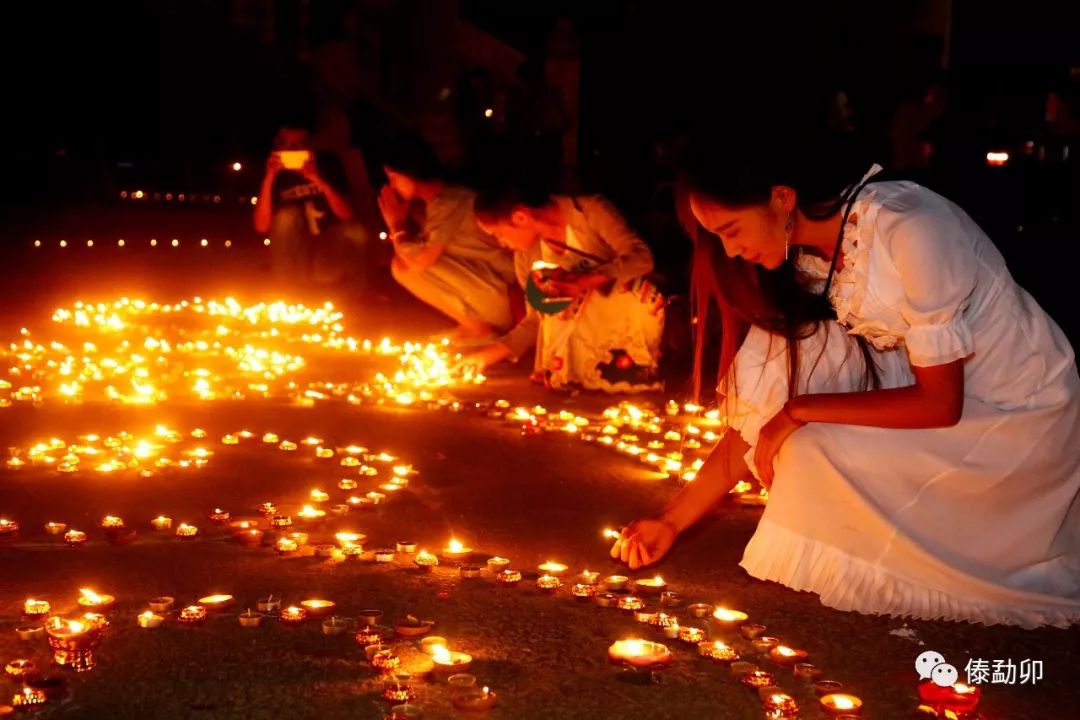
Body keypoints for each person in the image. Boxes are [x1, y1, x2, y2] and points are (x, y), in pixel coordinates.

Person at [611, 127, 1080, 628]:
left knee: (804, 437)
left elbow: (941, 403)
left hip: (1021, 416)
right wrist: (669, 521)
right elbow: (756, 414)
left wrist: (796, 411)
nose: (730, 252)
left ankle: (978, 551)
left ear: (780, 198)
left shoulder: (911, 228)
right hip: (956, 420)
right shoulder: (818, 264)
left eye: (730, 231)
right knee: (804, 448)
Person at [466, 187, 665, 393]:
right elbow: (536, 318)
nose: (502, 244)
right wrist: (484, 357)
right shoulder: (527, 257)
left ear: (520, 217)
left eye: (499, 234)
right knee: (552, 298)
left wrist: (585, 281)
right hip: (575, 335)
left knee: (593, 292)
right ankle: (576, 372)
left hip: (623, 313)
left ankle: (625, 369)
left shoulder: (589, 212)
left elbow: (641, 258)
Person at [376, 135, 517, 342]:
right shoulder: (435, 205)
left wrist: (396, 224)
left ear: (410, 172)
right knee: (403, 264)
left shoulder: (451, 202)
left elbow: (419, 261)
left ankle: (482, 329)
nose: (392, 186)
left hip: (505, 293)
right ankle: (474, 326)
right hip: (489, 289)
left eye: (394, 177)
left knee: (405, 266)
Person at [254, 107, 369, 293]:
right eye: (287, 145)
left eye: (300, 144)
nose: (293, 150)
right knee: (286, 216)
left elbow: (346, 214)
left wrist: (318, 179)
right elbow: (261, 226)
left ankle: (356, 293)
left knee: (356, 231)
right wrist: (268, 179)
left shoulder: (328, 163)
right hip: (294, 256)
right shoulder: (276, 175)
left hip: (325, 255)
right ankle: (284, 289)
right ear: (278, 146)